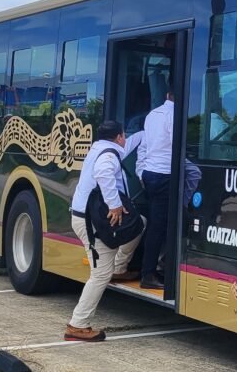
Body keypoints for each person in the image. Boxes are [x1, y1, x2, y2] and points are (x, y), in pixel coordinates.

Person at [65, 120, 141, 342]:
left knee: (139, 224)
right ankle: (77, 325)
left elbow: (134, 141)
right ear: (119, 137)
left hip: (85, 215)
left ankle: (120, 265)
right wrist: (114, 204)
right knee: (100, 275)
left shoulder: (99, 147)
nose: (126, 139)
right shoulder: (109, 156)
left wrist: (147, 132)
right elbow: (103, 173)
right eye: (124, 136)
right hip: (92, 222)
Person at [137, 90, 176, 290]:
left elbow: (144, 145)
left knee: (157, 224)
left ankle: (154, 268)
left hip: (151, 173)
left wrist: (141, 172)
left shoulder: (152, 114)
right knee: (162, 226)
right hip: (165, 175)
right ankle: (150, 273)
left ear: (167, 93)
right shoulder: (174, 115)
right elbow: (178, 145)